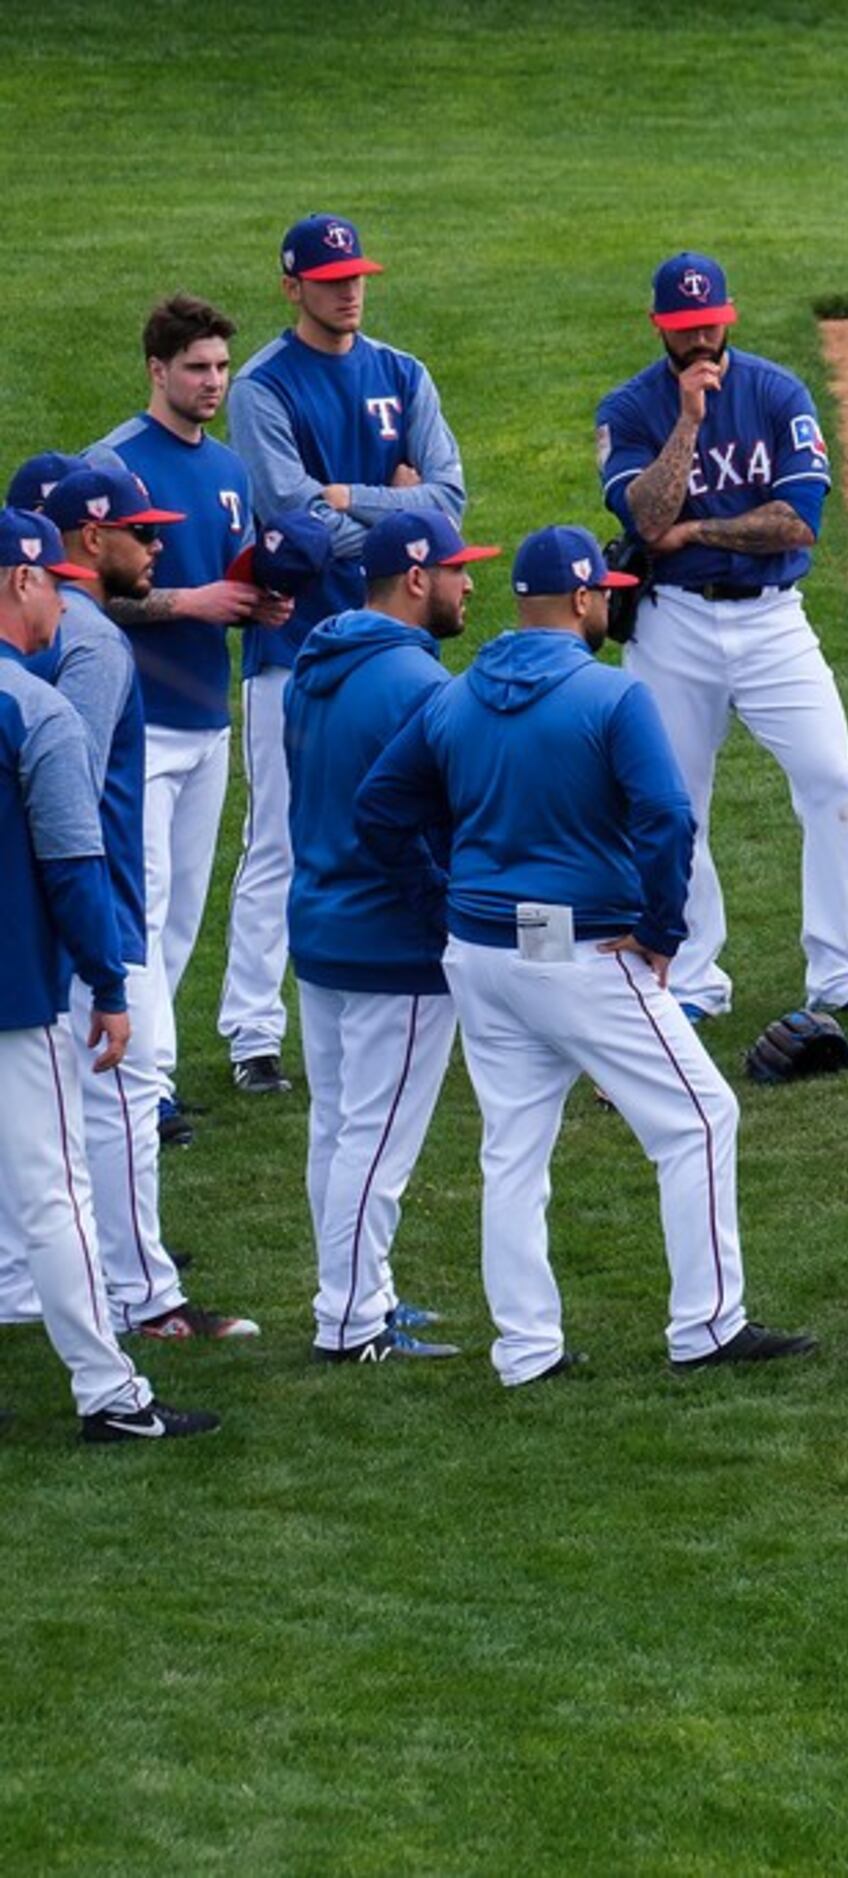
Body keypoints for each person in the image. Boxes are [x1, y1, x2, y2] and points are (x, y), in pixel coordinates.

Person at [355, 527, 816, 1384]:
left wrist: (442, 905)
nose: (611, 600)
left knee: (513, 1151)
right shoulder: (612, 697)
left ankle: (527, 1351)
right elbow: (667, 819)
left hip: (483, 961)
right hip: (581, 958)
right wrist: (661, 932)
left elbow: (381, 807)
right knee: (701, 1118)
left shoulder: (456, 697)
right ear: (579, 601)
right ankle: (708, 1327)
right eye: (602, 590)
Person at [600, 251, 848, 1024]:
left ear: (727, 314)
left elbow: (799, 520)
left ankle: (841, 972)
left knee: (831, 776)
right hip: (672, 624)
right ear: (658, 327)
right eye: (683, 325)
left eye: (710, 321)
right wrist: (690, 423)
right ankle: (694, 977)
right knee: (675, 800)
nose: (700, 336)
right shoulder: (631, 408)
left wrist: (699, 527)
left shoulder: (776, 392)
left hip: (773, 620)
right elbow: (644, 518)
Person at [224, 212, 467, 1097]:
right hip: (294, 651)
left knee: (395, 822)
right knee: (280, 841)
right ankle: (253, 1031)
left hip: (390, 654)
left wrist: (349, 496)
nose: (350, 291)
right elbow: (297, 529)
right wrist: (394, 507)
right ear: (292, 287)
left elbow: (449, 505)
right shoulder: (262, 388)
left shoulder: (404, 373)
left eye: (357, 276)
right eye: (331, 281)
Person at [0, 506, 217, 1440]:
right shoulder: (34, 710)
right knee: (57, 1196)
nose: (60, 599)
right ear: (21, 582)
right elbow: (72, 865)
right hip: (17, 993)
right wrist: (112, 984)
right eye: (53, 580)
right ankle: (112, 1395)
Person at [29, 467, 259, 1340]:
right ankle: (144, 1299)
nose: (160, 548)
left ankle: (25, 1289)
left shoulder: (45, 633)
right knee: (124, 1097)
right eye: (144, 533)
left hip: (54, 913)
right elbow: (67, 796)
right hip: (97, 909)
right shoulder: (90, 641)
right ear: (92, 540)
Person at [287, 511, 495, 1362]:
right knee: (375, 1142)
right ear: (417, 578)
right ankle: (350, 1324)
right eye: (457, 570)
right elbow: (436, 821)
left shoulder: (315, 665)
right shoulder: (418, 685)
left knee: (337, 1129)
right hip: (392, 947)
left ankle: (359, 1295)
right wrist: (441, 907)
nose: (469, 583)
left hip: (320, 927)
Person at [93, 295, 297, 1116]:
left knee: (180, 914)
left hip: (209, 720)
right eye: (197, 368)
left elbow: (228, 578)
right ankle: (138, 1082)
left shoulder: (229, 469)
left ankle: (152, 1075)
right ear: (156, 370)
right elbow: (81, 602)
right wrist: (191, 604)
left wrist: (256, 604)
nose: (214, 383)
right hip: (132, 724)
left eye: (220, 367)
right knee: (141, 904)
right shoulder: (109, 468)